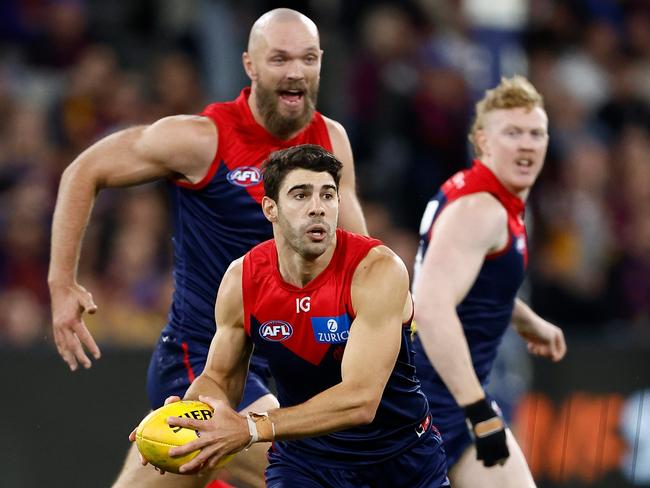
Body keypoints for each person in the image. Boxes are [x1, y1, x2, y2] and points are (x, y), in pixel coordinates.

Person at [47, 8, 367, 488]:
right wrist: (61, 282)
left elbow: (358, 256)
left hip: (274, 366)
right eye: (279, 58)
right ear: (250, 66)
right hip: (201, 366)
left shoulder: (331, 141)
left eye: (307, 58)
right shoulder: (203, 139)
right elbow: (83, 171)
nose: (295, 71)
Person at [136, 144, 449, 487]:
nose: (318, 208)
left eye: (328, 196)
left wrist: (252, 427)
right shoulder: (243, 279)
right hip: (305, 464)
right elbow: (220, 379)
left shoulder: (376, 270)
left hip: (401, 463)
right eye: (300, 195)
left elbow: (360, 400)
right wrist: (187, 416)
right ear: (270, 208)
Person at [410, 75, 567, 487]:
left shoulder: (481, 194)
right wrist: (477, 409)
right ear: (482, 141)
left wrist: (527, 321)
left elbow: (466, 283)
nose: (527, 144)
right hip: (431, 406)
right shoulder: (483, 210)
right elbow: (429, 306)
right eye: (512, 133)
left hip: (447, 403)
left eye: (536, 133)